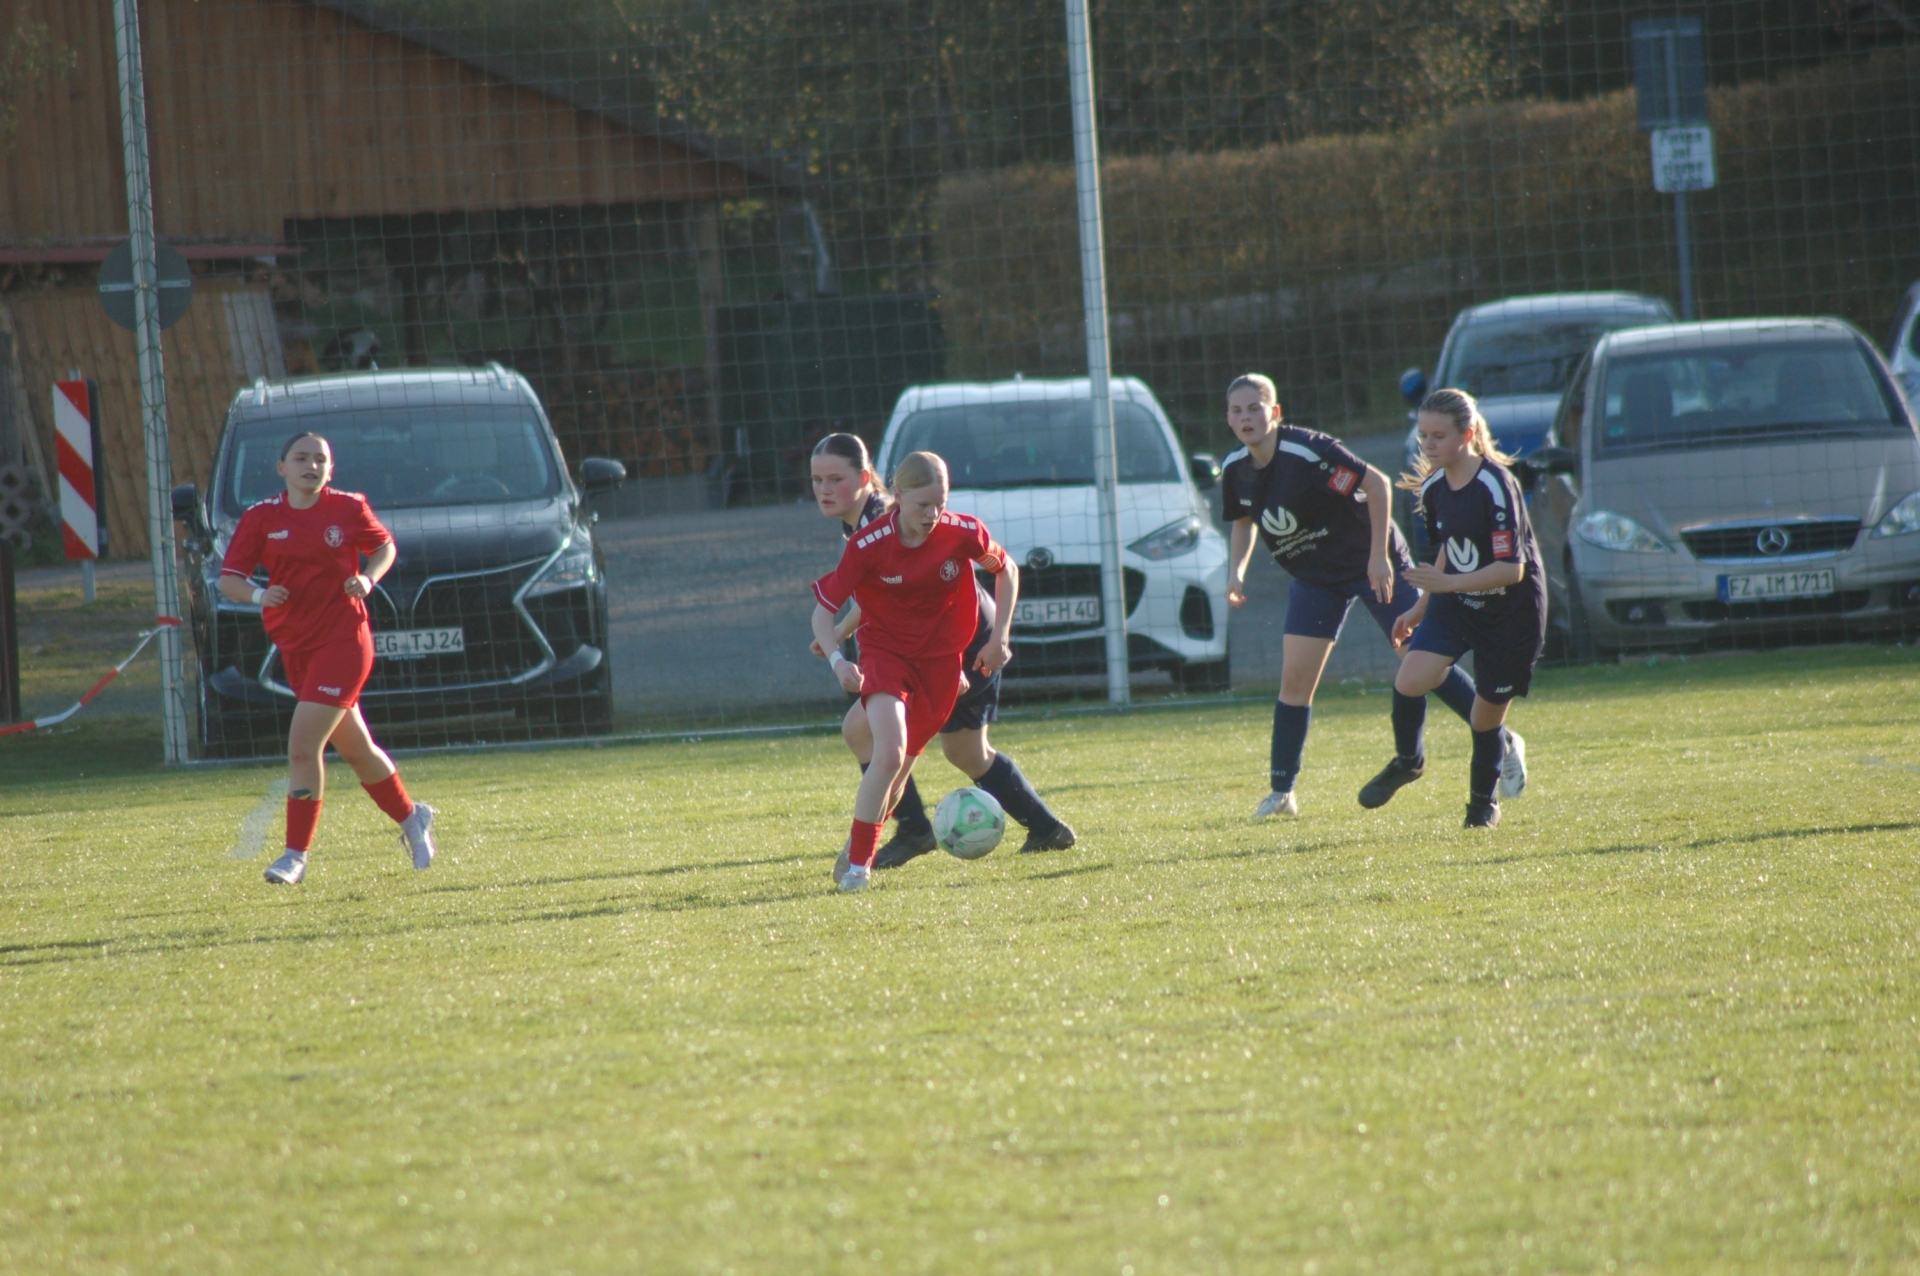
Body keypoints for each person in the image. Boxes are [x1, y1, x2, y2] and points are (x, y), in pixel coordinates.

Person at [1220, 374, 1522, 816]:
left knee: (1418, 658)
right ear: (1228, 419)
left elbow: (1376, 484)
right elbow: (1244, 519)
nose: (1245, 417)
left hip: (1371, 563)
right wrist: (1236, 573)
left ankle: (1503, 739)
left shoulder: (1309, 452)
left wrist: (1379, 556)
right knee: (1295, 680)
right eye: (1236, 410)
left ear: (1275, 413)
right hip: (1316, 579)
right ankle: (1282, 794)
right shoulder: (1235, 468)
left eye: (1254, 408)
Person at [807, 434, 1076, 867]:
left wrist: (997, 640)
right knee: (963, 750)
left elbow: (915, 585)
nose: (824, 489)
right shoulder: (862, 526)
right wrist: (837, 632)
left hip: (960, 642)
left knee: (876, 738)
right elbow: (881, 594)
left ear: (866, 478)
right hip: (929, 642)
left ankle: (902, 834)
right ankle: (1046, 828)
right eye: (817, 479)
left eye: (835, 479)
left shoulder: (893, 515)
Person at [220, 432, 436, 884]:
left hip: (344, 641)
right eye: (301, 458)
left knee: (303, 747)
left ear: (331, 469)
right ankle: (412, 817)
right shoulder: (261, 517)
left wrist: (368, 579)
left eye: (321, 459)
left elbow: (384, 547)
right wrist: (260, 594)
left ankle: (294, 856)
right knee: (357, 750)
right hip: (296, 644)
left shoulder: (348, 508)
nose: (312, 466)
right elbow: (230, 579)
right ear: (282, 467)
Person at [1363, 388, 1546, 828]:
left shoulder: (1496, 485)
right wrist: (1422, 607)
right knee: (1410, 679)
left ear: (1466, 435)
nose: (1428, 445)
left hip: (1511, 615)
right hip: (1458, 603)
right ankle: (1409, 762)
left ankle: (1483, 807)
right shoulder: (1433, 487)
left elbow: (1512, 570)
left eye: (1438, 436)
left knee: (1484, 721)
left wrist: (1447, 584)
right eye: (1423, 436)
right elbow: (1452, 547)